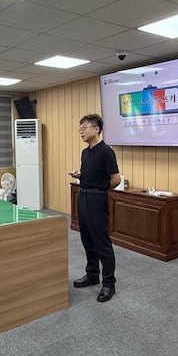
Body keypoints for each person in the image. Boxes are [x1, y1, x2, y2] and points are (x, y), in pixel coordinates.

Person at [69, 114, 121, 302]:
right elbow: (90, 173)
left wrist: (100, 189)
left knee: (101, 242)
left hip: (97, 199)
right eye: (80, 128)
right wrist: (80, 175)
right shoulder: (86, 153)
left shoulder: (106, 151)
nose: (81, 132)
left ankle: (109, 283)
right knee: (87, 239)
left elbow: (116, 179)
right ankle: (92, 275)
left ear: (96, 129)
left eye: (84, 128)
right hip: (83, 197)